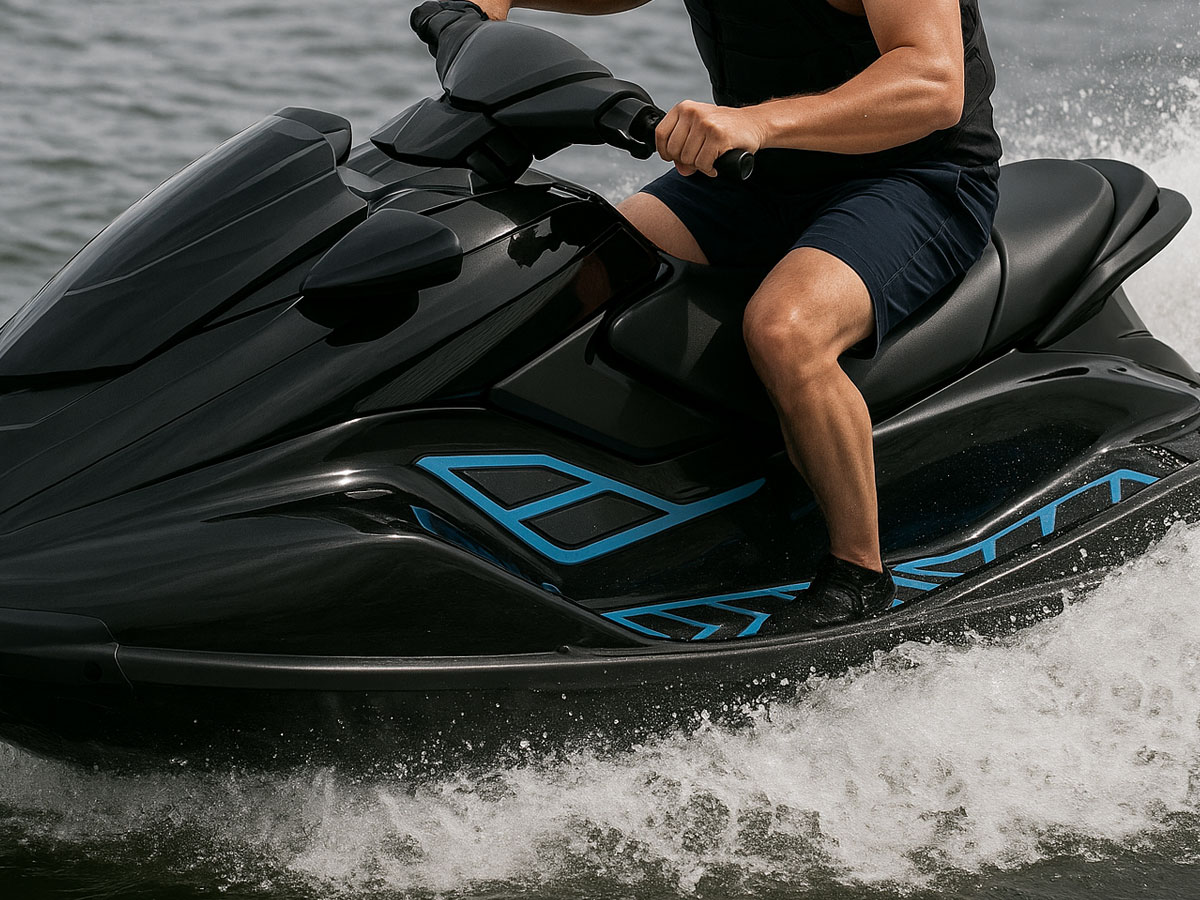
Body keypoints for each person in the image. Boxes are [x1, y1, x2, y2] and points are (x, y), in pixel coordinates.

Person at [471, 0, 1002, 628]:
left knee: (784, 331)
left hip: (915, 176)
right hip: (760, 173)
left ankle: (859, 574)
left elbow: (933, 82)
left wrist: (758, 122)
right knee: (588, 273)